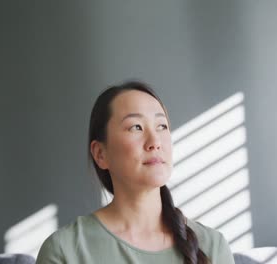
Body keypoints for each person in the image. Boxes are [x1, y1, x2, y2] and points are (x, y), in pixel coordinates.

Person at [36, 81, 235, 264]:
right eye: (136, 127)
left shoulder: (213, 246)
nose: (155, 141)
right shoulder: (64, 251)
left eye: (162, 126)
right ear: (100, 154)